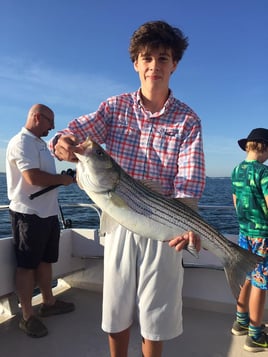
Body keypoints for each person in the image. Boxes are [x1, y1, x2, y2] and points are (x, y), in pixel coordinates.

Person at [50, 20, 205, 357]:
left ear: (175, 64)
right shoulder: (115, 107)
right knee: (116, 306)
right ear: (136, 63)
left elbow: (188, 179)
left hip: (167, 227)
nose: (154, 66)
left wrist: (187, 224)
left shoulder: (187, 119)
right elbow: (77, 132)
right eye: (147, 58)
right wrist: (61, 140)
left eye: (163, 59)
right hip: (119, 221)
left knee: (156, 314)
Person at [6, 104, 75, 338]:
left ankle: (49, 303)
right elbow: (32, 177)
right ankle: (27, 316)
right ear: (37, 117)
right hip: (28, 215)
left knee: (46, 261)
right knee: (26, 267)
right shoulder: (21, 142)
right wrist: (61, 180)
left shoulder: (41, 145)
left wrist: (62, 179)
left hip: (48, 213)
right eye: (50, 121)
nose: (53, 127)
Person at [231, 128, 268, 352]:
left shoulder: (236, 170)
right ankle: (255, 336)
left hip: (244, 232)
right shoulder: (263, 173)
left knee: (246, 276)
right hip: (263, 236)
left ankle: (241, 322)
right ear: (263, 148)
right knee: (260, 284)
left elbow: (236, 202)